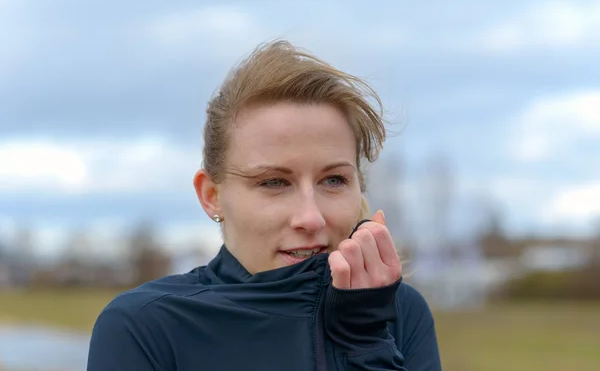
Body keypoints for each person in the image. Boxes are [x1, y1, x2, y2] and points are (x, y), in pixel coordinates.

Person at [86, 40, 442, 370]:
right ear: (211, 195)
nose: (311, 217)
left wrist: (364, 343)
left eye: (333, 180)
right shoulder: (146, 327)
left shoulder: (398, 315)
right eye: (274, 182)